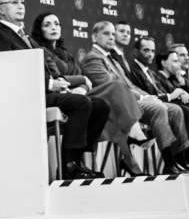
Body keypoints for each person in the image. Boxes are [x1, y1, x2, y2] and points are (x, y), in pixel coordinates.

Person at [0, 0, 106, 179]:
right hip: (28, 97)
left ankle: (76, 158)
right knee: (82, 103)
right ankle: (68, 166)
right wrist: (50, 84)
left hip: (46, 93)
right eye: (14, 2)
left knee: (101, 106)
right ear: (0, 9)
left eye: (22, 2)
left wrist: (59, 82)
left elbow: (47, 69)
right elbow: (7, 73)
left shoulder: (28, 39)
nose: (21, 6)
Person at [29, 11, 143, 170]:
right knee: (112, 89)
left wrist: (81, 87)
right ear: (39, 30)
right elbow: (57, 78)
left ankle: (81, 155)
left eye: (57, 24)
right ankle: (70, 163)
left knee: (102, 105)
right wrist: (81, 80)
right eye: (47, 25)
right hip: (58, 95)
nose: (53, 27)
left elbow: (82, 78)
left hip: (77, 94)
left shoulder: (66, 54)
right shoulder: (42, 52)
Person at [81, 20, 189, 175]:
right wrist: (143, 99)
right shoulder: (92, 58)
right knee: (158, 109)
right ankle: (169, 163)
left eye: (113, 34)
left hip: (128, 101)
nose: (111, 37)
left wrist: (148, 97)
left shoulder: (112, 59)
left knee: (175, 110)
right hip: (114, 105)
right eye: (106, 33)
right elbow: (111, 87)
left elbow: (130, 85)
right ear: (94, 37)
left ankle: (180, 160)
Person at [127, 36, 189, 172]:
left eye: (152, 51)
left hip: (160, 103)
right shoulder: (133, 71)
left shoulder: (150, 72)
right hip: (148, 105)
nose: (150, 54)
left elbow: (159, 92)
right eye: (146, 50)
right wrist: (172, 95)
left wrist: (180, 90)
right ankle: (179, 159)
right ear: (136, 52)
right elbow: (146, 95)